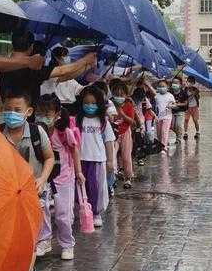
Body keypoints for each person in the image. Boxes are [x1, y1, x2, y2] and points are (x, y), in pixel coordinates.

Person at [0, 91, 55, 271]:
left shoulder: (36, 132)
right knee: (15, 240)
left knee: (30, 238)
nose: (11, 114)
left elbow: (49, 158)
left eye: (17, 110)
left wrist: (42, 178)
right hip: (8, 197)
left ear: (28, 112)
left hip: (34, 194)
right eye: (7, 109)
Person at [0, 29, 97, 112]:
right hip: (27, 116)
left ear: (12, 44)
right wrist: (85, 60)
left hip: (7, 112)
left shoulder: (2, 65)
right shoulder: (33, 69)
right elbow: (63, 71)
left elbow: (64, 74)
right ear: (31, 46)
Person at [37, 93, 85, 261]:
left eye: (47, 112)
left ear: (57, 113)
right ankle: (44, 240)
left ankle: (67, 244)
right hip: (44, 178)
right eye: (41, 112)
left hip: (64, 178)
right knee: (42, 210)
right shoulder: (37, 131)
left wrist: (79, 172)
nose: (43, 116)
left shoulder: (64, 132)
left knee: (63, 214)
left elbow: (74, 150)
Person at [76, 85, 115, 227]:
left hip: (97, 160)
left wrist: (110, 161)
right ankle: (83, 210)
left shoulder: (103, 122)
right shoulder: (77, 121)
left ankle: (96, 213)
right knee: (81, 187)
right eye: (86, 103)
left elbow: (109, 141)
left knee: (96, 188)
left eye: (93, 103)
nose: (89, 106)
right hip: (80, 159)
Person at [110, 79, 137, 188]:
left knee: (126, 157)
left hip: (125, 133)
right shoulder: (110, 104)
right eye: (116, 94)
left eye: (122, 95)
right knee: (111, 157)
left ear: (126, 95)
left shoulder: (128, 105)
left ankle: (128, 178)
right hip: (113, 134)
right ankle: (112, 178)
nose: (119, 97)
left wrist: (122, 114)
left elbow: (133, 122)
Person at [153, 79, 176, 153]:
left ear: (167, 87)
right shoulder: (156, 96)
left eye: (163, 86)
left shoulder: (170, 96)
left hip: (167, 116)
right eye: (160, 86)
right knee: (159, 133)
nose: (161, 88)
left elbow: (174, 105)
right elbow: (154, 106)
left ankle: (164, 147)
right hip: (158, 117)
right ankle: (160, 145)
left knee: (164, 131)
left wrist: (170, 106)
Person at [170, 75, 188, 143]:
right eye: (173, 83)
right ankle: (179, 134)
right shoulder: (170, 92)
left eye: (176, 83)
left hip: (180, 112)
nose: (174, 84)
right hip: (171, 111)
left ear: (180, 85)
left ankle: (178, 138)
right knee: (172, 126)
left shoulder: (183, 93)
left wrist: (177, 104)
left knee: (178, 125)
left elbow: (186, 103)